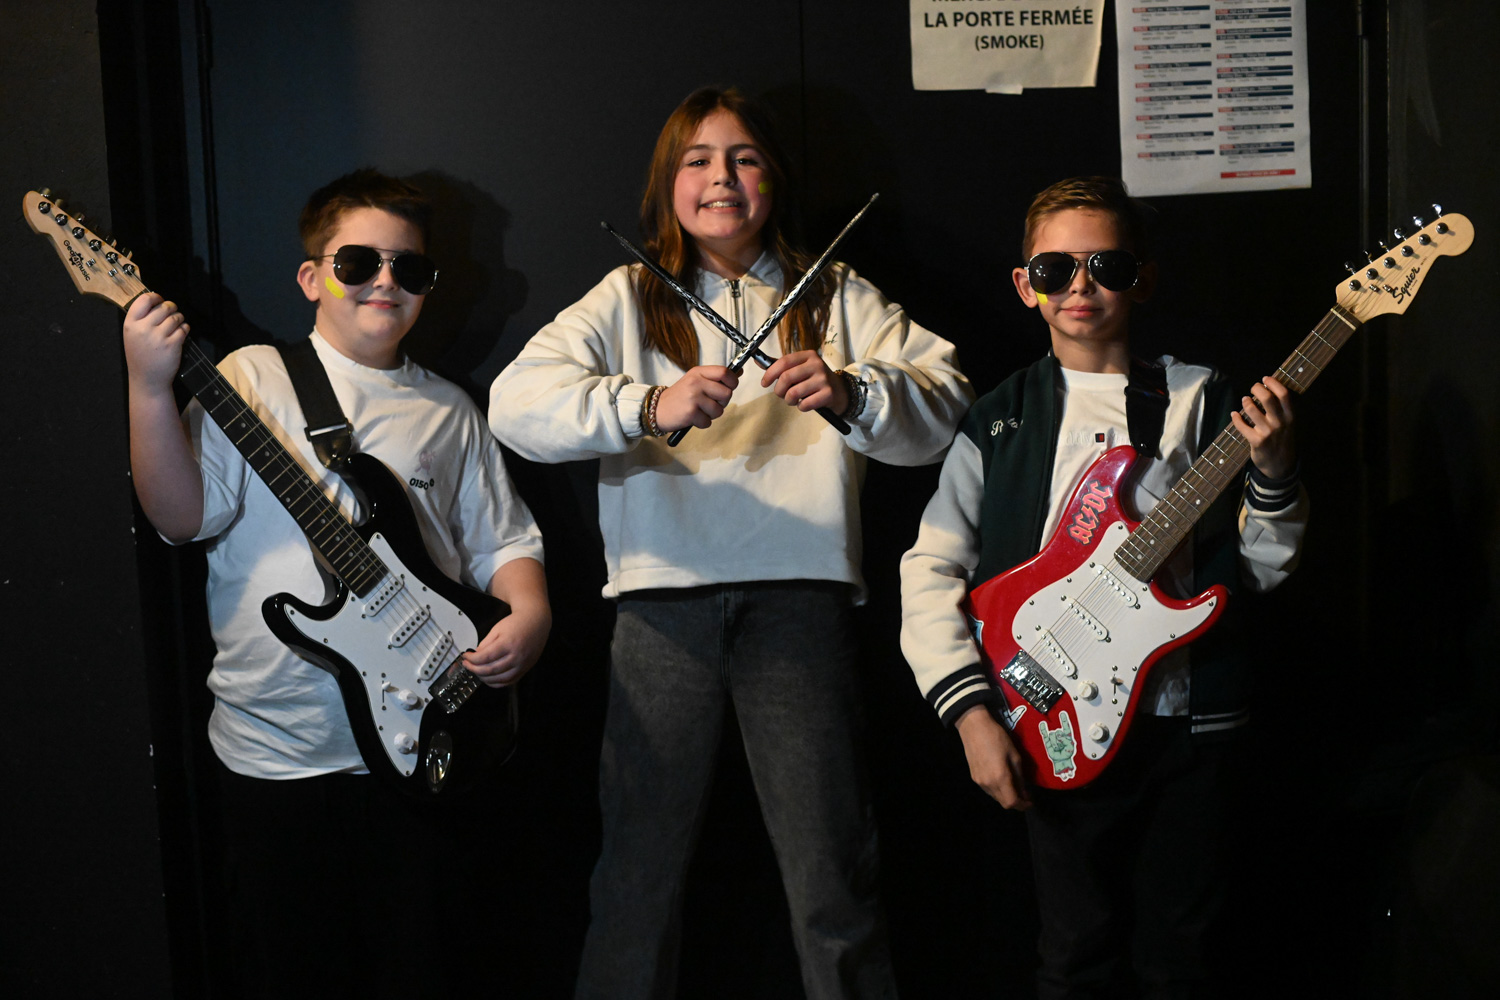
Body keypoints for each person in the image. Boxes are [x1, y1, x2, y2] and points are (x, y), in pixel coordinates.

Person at [488, 86, 972, 999]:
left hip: (800, 604)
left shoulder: (831, 291)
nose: (722, 177)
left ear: (773, 178)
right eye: (698, 160)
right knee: (636, 879)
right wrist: (647, 404)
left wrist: (853, 391)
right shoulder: (629, 295)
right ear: (666, 184)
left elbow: (944, 402)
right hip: (660, 608)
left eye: (745, 158)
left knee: (832, 878)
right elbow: (513, 406)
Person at [123, 169, 551, 998]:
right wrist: (147, 386)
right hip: (277, 757)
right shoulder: (251, 378)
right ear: (311, 277)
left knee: (423, 968)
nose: (384, 281)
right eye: (358, 263)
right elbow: (180, 517)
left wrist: (530, 613)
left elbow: (504, 539)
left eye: (407, 267)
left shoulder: (447, 410)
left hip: (435, 732)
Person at [899, 176, 1308, 998]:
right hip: (1050, 720)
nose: (1079, 286)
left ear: (1143, 279)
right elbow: (930, 567)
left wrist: (1273, 473)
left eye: (1106, 265)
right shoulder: (1000, 420)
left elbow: (1262, 570)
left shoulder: (1203, 401)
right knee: (1073, 954)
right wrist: (971, 715)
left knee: (1183, 958)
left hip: (1185, 726)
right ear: (1025, 286)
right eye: (1054, 270)